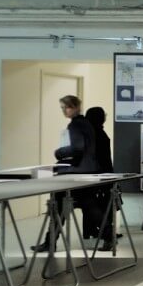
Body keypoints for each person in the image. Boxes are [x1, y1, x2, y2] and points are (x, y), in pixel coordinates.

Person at [33, 95, 97, 253]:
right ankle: (109, 236)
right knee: (89, 205)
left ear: (75, 107)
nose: (64, 111)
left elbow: (77, 148)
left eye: (66, 107)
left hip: (74, 172)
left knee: (58, 206)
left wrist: (58, 152)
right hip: (87, 170)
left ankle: (50, 243)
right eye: (62, 108)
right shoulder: (86, 124)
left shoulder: (75, 126)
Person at [80, 106, 115, 249]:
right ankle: (105, 232)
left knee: (85, 202)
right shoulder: (101, 134)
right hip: (98, 180)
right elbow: (106, 161)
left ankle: (105, 232)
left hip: (89, 180)